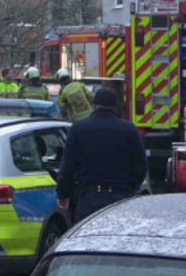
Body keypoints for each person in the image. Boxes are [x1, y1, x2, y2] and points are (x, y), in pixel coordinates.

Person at [55, 87, 147, 223]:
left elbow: (67, 165)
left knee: (88, 239)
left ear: (94, 105)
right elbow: (141, 166)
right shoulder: (129, 130)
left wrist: (63, 194)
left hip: (88, 199)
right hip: (119, 198)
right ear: (115, 106)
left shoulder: (78, 128)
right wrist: (130, 187)